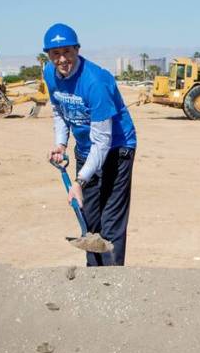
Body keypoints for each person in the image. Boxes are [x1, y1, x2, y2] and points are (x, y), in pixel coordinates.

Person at [43, 23, 137, 266]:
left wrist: (80, 181)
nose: (62, 59)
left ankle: (111, 282)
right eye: (56, 54)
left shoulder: (95, 82)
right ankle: (92, 278)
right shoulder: (49, 74)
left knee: (110, 219)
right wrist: (61, 144)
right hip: (86, 149)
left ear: (77, 49)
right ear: (48, 55)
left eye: (67, 52)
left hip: (117, 148)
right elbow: (58, 109)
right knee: (89, 218)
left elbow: (103, 141)